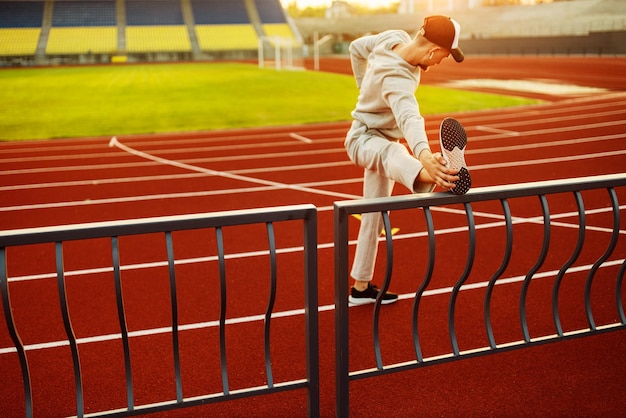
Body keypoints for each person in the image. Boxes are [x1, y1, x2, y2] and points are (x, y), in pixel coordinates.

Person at [345, 15, 468, 306]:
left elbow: (355, 48)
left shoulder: (391, 38)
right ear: (432, 51)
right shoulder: (398, 78)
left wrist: (365, 91)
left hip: (380, 136)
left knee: (374, 215)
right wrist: (424, 156)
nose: (441, 62)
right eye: (444, 56)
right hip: (364, 139)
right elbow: (409, 116)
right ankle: (438, 174)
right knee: (393, 154)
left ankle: (360, 289)